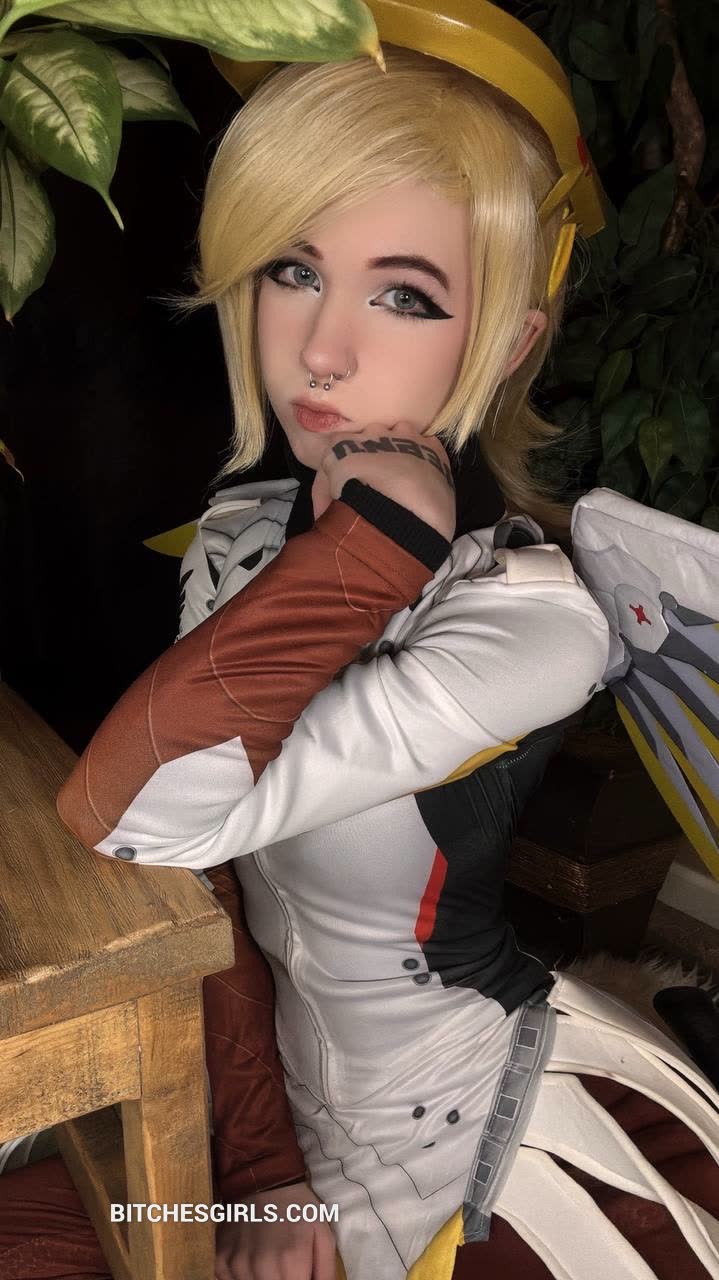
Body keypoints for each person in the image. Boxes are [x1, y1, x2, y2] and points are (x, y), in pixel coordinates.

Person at [2, 9, 718, 1280]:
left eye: (402, 294)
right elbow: (203, 881)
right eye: (290, 268)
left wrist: (379, 542)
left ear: (505, 340)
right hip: (268, 1110)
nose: (321, 349)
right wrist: (261, 1162)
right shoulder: (240, 534)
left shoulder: (533, 622)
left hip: (468, 1146)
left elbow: (136, 813)